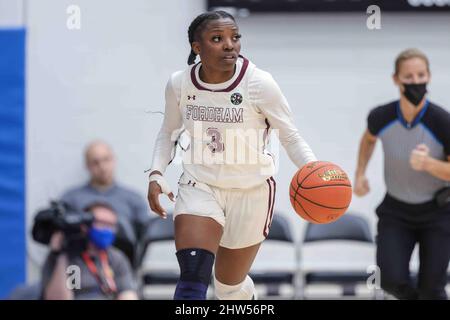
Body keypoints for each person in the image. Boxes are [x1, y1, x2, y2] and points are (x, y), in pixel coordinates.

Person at [146, 11, 317, 300]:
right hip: (200, 185)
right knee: (192, 278)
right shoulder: (179, 83)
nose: (230, 45)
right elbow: (168, 132)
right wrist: (156, 173)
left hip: (250, 192)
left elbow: (290, 136)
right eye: (217, 39)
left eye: (235, 37)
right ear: (196, 47)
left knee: (229, 289)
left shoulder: (259, 83)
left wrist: (314, 170)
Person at [354, 48, 450, 300]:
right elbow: (368, 140)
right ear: (396, 79)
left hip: (438, 213)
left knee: (433, 288)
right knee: (389, 279)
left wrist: (429, 164)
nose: (416, 82)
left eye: (421, 75)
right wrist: (360, 173)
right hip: (396, 211)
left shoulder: (442, 121)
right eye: (409, 77)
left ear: (429, 76)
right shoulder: (381, 116)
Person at [62, 141, 151, 253]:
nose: (102, 167)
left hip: (124, 262)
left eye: (106, 159)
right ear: (87, 166)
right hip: (81, 262)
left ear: (114, 160)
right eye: (95, 162)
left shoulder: (134, 199)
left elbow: (144, 236)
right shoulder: (71, 198)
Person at [41, 201, 138, 300]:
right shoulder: (68, 258)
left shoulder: (116, 257)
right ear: (84, 226)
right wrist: (60, 254)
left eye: (111, 225)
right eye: (100, 223)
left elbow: (127, 293)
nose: (106, 229)